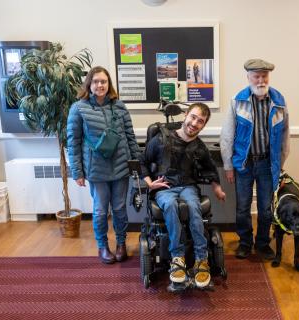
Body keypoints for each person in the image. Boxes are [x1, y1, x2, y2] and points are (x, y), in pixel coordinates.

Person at [142, 103, 226, 288]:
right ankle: (177, 258)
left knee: (194, 207)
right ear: (186, 115)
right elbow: (143, 162)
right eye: (193, 117)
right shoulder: (161, 138)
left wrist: (217, 188)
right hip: (164, 187)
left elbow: (210, 169)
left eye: (200, 121)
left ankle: (201, 259)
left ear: (203, 126)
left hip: (187, 186)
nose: (195, 123)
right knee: (171, 206)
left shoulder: (199, 147)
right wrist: (149, 183)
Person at [67, 66, 140, 264]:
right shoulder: (78, 108)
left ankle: (121, 244)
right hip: (96, 169)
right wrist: (77, 172)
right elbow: (73, 142)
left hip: (120, 167)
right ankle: (102, 246)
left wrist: (136, 166)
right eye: (96, 81)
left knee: (119, 208)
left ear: (109, 84)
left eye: (104, 81)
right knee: (100, 210)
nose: (100, 85)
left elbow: (130, 137)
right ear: (89, 84)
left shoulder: (120, 107)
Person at [220, 59, 290, 260]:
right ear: (248, 77)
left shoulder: (279, 101)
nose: (261, 80)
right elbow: (227, 136)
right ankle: (244, 243)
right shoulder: (238, 100)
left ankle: (262, 243)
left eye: (264, 76)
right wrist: (228, 165)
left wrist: (280, 167)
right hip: (244, 163)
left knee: (265, 208)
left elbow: (285, 136)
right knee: (242, 207)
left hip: (268, 164)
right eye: (256, 76)